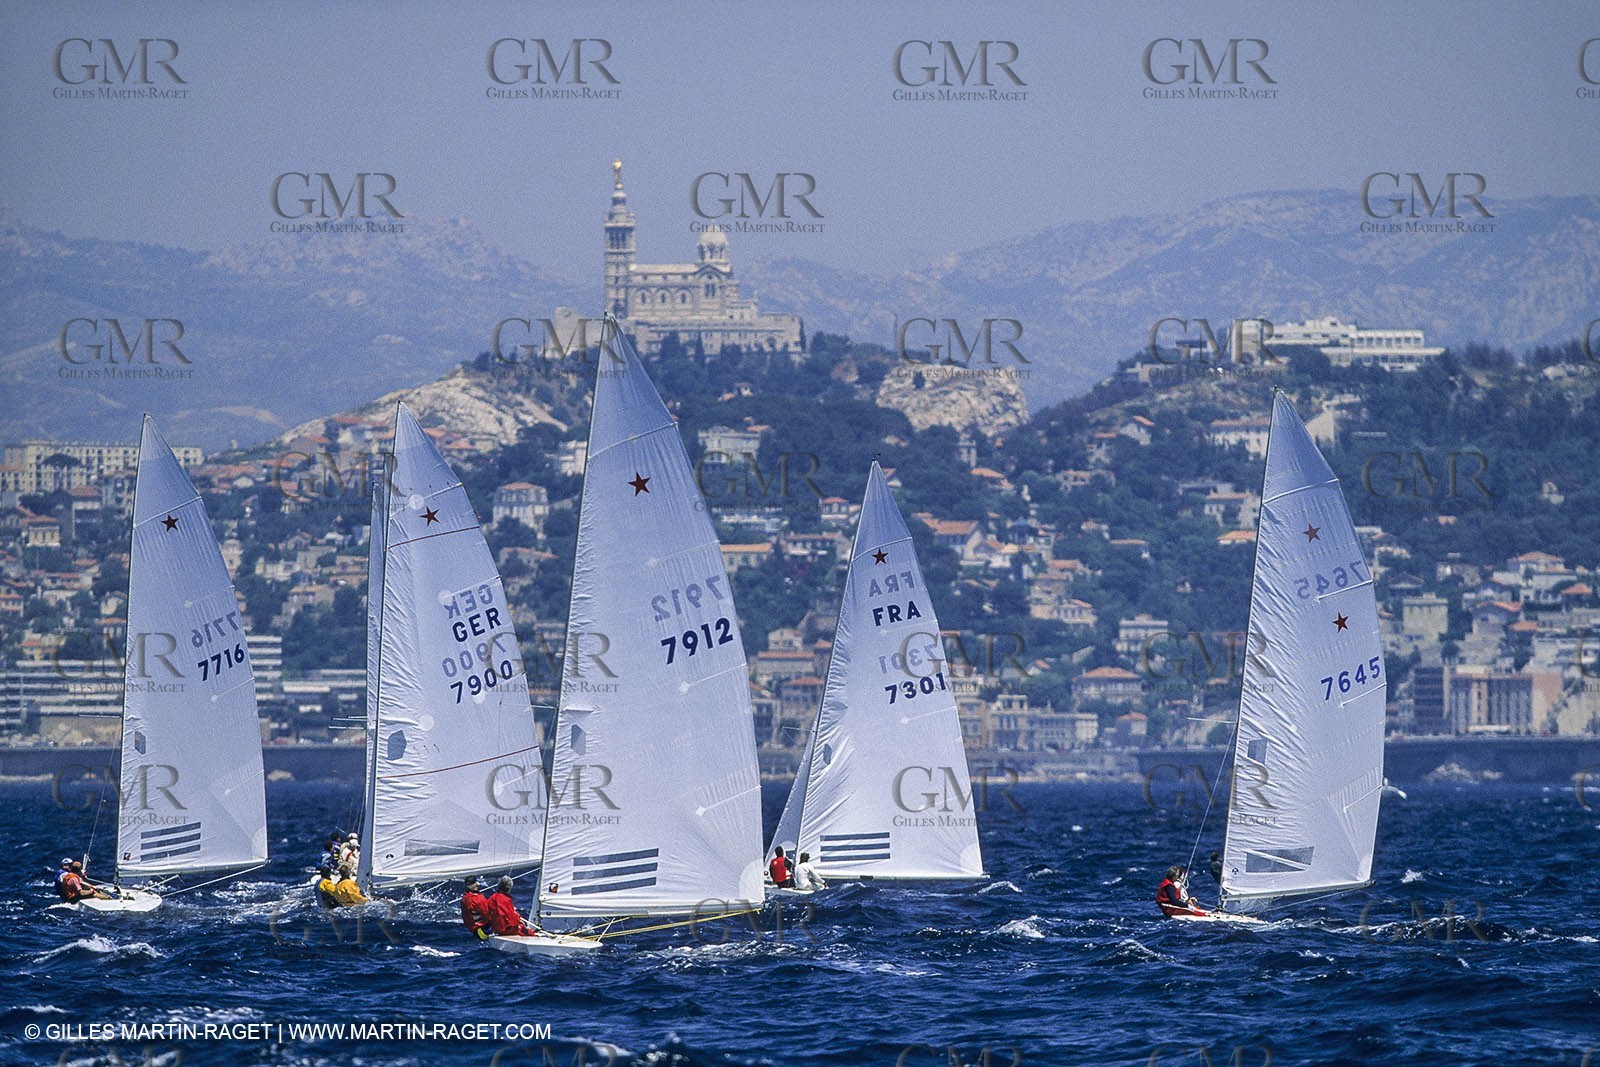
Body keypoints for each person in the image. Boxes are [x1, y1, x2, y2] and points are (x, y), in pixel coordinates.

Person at [461, 875, 491, 940]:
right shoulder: (477, 899)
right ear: (475, 884)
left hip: (472, 929)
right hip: (482, 930)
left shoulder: (465, 898)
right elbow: (487, 914)